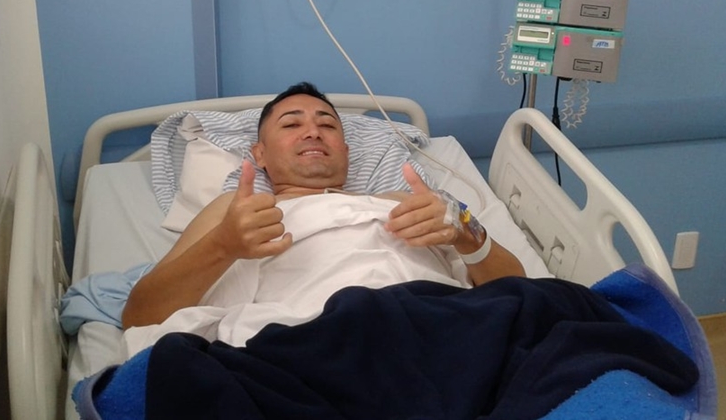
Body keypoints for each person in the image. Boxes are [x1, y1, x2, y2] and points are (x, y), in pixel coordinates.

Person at [122, 83, 525, 329]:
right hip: (311, 339)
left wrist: (467, 233)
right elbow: (140, 316)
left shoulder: (407, 203)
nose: (313, 132)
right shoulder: (236, 213)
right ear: (259, 154)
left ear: (346, 152)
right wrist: (223, 246)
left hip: (442, 323)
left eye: (327, 124)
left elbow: (517, 289)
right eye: (291, 124)